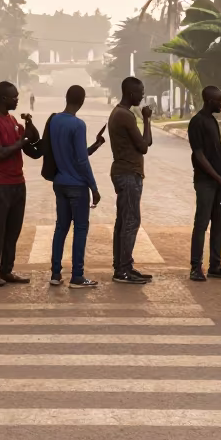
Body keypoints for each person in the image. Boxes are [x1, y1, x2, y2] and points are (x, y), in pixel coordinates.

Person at [0, 81, 41, 287]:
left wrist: (31, 129)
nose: (17, 99)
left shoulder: (13, 119)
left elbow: (33, 147)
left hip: (18, 181)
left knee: (13, 229)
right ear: (4, 98)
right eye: (14, 97)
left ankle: (6, 270)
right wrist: (23, 140)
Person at [47, 85, 107, 288]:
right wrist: (94, 188)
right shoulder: (78, 125)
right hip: (77, 186)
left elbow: (74, 154)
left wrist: (96, 145)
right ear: (82, 101)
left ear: (66, 97)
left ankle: (55, 274)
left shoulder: (54, 120)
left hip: (60, 182)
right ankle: (77, 276)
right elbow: (81, 161)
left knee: (61, 228)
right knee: (80, 229)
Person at [187, 85, 221, 282]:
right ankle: (195, 267)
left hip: (220, 183)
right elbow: (199, 154)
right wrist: (220, 180)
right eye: (220, 100)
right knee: (201, 224)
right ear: (210, 101)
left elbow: (211, 149)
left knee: (219, 224)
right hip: (206, 182)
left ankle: (215, 266)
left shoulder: (212, 121)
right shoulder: (197, 122)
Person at [108, 76, 154, 284]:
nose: (143, 95)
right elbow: (144, 146)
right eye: (141, 92)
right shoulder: (125, 115)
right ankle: (123, 269)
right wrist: (146, 119)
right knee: (130, 221)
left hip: (125, 172)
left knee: (123, 220)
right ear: (131, 93)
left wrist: (145, 120)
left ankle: (122, 265)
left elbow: (147, 142)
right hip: (128, 174)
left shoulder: (120, 113)